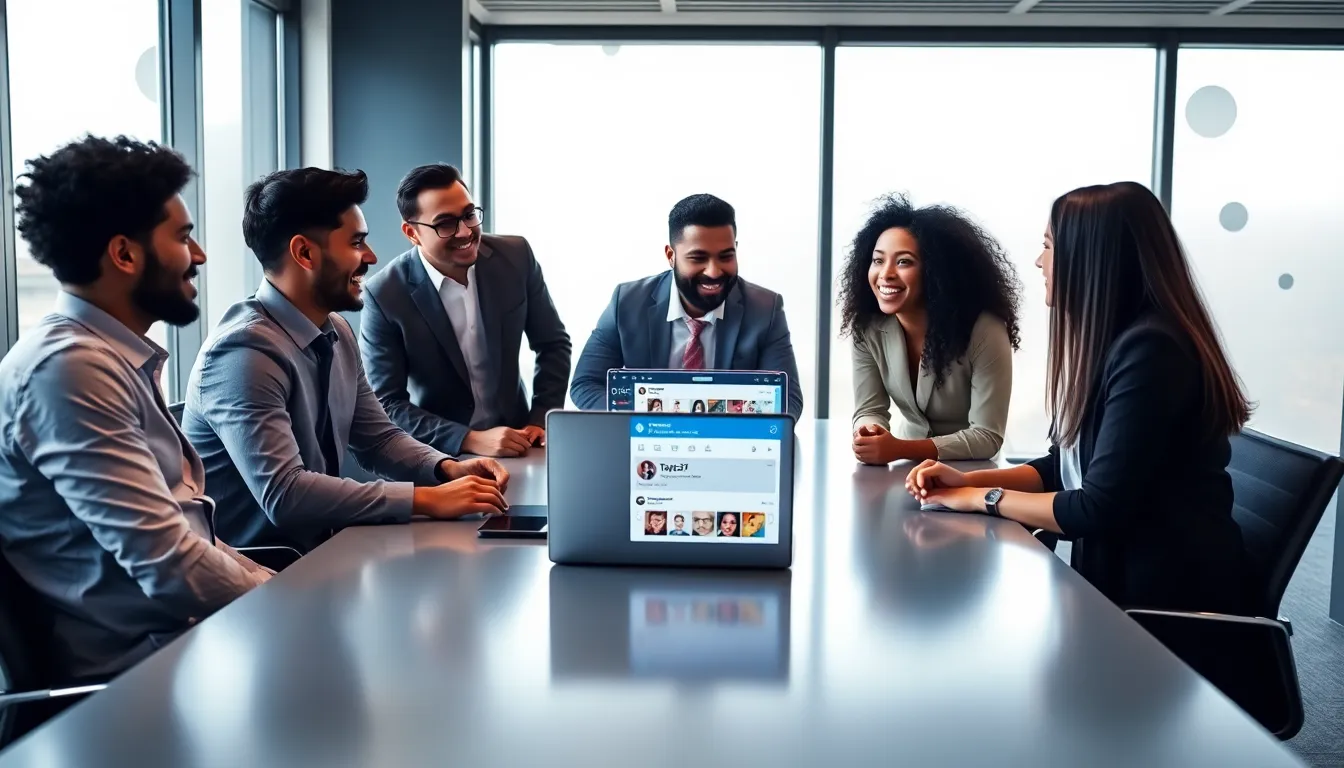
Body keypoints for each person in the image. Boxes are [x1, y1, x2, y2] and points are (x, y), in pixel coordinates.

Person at [906, 181, 1252, 614]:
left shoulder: (1153, 352)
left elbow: (1095, 507)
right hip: (1118, 591)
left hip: (1167, 611)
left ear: (1092, 259)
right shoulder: (1117, 344)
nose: (1039, 261)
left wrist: (981, 500)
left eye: (1048, 246)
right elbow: (1062, 468)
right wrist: (968, 481)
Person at [0, 136, 269, 679]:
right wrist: (293, 605)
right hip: (136, 680)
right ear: (124, 254)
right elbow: (170, 564)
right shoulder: (69, 369)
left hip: (186, 645)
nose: (199, 256)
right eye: (184, 237)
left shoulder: (108, 356)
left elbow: (188, 538)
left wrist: (285, 586)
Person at [182, 168, 510, 553]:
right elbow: (285, 495)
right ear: (304, 253)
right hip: (264, 577)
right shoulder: (242, 354)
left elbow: (377, 439)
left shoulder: (335, 330)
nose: (371, 257)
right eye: (356, 243)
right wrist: (427, 499)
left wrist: (445, 468)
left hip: (323, 555)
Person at [360, 163, 570, 458]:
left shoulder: (516, 257)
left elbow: (553, 344)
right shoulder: (384, 295)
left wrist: (540, 419)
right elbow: (387, 403)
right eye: (445, 223)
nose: (465, 232)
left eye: (469, 215)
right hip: (438, 457)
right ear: (412, 233)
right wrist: (469, 439)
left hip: (519, 441)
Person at [569, 194, 804, 416]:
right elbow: (586, 384)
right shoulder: (628, 302)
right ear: (671, 255)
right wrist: (641, 422)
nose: (714, 271)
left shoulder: (766, 309)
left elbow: (788, 401)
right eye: (698, 258)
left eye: (726, 256)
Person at [841, 194, 1020, 465]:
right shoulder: (867, 328)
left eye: (904, 262)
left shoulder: (985, 330)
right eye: (878, 260)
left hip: (971, 471)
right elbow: (869, 409)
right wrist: (868, 431)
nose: (886, 274)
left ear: (936, 272)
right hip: (904, 469)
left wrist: (901, 449)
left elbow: (987, 436)